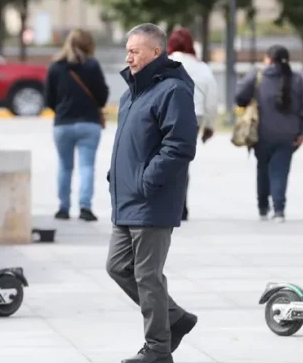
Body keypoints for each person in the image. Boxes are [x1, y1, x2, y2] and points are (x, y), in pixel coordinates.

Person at [106, 23, 199, 363]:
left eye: (135, 50)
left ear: (155, 53)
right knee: (117, 267)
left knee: (147, 275)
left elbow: (180, 145)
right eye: (127, 50)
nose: (128, 56)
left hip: (152, 199)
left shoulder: (172, 91)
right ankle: (175, 317)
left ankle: (158, 349)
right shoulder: (131, 93)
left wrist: (148, 180)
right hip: (126, 198)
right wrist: (117, 175)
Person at [235, 45, 303, 223]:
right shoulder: (298, 80)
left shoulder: (258, 76)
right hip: (289, 134)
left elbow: (239, 96)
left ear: (269, 59)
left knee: (263, 168)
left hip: (262, 133)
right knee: (280, 170)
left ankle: (263, 207)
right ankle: (279, 210)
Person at [45, 29, 109, 221]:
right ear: (88, 45)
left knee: (65, 167)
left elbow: (48, 99)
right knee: (87, 166)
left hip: (63, 124)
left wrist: (62, 110)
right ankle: (85, 208)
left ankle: (63, 208)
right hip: (89, 123)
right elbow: (102, 96)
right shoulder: (92, 65)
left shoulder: (56, 66)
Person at [166, 28, 219, 221]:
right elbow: (212, 99)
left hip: (167, 117)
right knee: (182, 162)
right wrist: (210, 126)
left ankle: (167, 203)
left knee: (164, 158)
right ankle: (181, 206)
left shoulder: (165, 63)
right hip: (193, 117)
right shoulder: (201, 67)